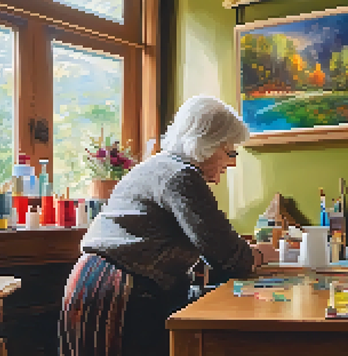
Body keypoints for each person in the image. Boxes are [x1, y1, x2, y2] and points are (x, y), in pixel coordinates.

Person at [58, 95, 276, 356]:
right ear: (206, 144)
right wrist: (263, 253)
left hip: (97, 282)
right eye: (229, 152)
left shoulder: (160, 165)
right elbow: (229, 257)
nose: (231, 163)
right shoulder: (182, 176)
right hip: (121, 291)